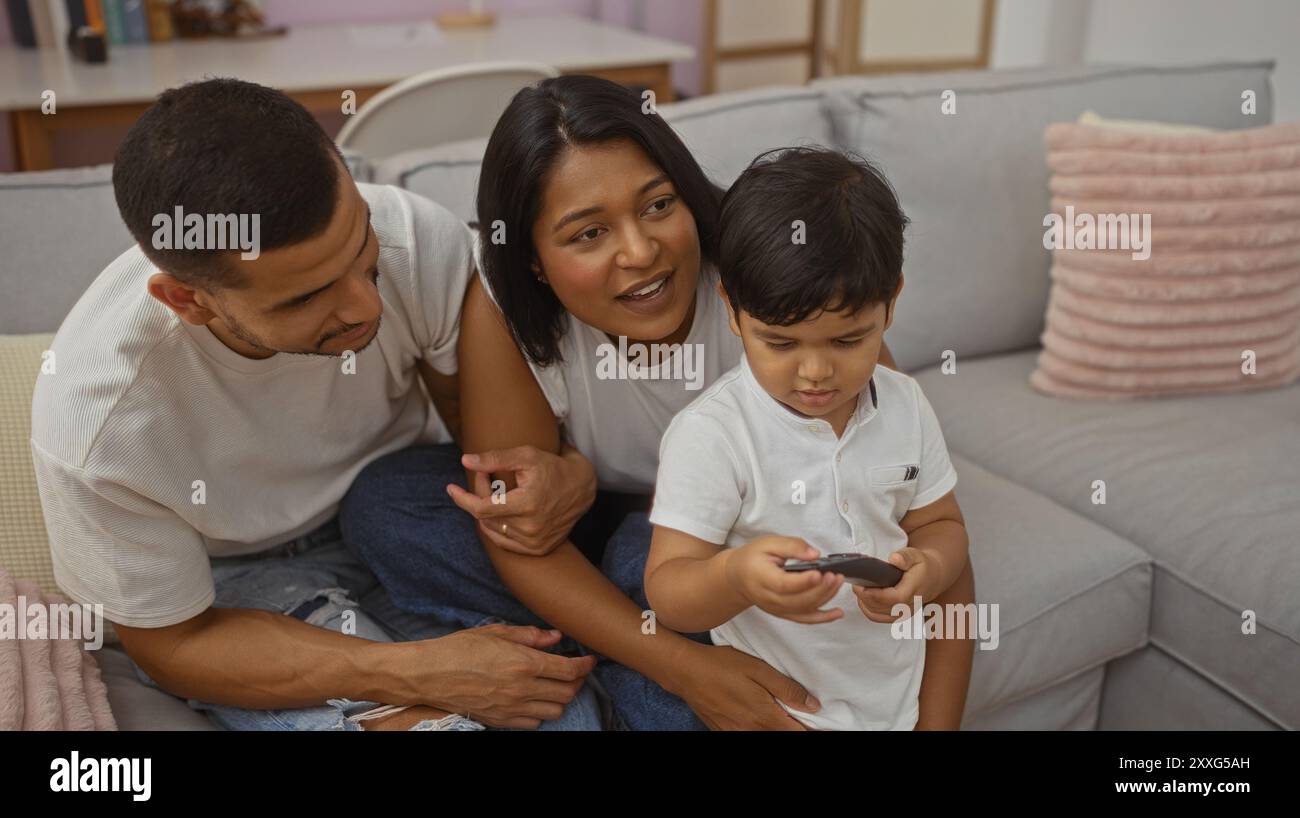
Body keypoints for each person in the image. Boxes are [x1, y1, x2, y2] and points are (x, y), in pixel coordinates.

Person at [343, 76, 976, 730]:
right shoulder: (506, 310)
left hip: (721, 545)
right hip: (625, 544)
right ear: (533, 260)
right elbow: (518, 534)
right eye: (588, 234)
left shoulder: (769, 277)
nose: (641, 252)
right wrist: (686, 667)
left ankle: (584, 665)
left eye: (657, 204)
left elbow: (919, 518)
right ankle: (624, 662)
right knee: (387, 505)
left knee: (636, 557)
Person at [31, 78, 600, 731]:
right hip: (230, 593)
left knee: (571, 714)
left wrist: (571, 471)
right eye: (305, 299)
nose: (366, 308)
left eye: (362, 251)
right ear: (189, 301)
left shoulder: (412, 237)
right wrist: (422, 671)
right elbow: (173, 644)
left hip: (400, 516)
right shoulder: (96, 417)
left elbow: (495, 456)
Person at [644, 147, 969, 730]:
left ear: (891, 303)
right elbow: (669, 590)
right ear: (734, 311)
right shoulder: (713, 434)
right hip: (786, 712)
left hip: (896, 703)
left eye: (846, 342)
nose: (815, 373)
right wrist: (737, 577)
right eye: (782, 343)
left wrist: (932, 570)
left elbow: (941, 526)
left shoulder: (906, 404)